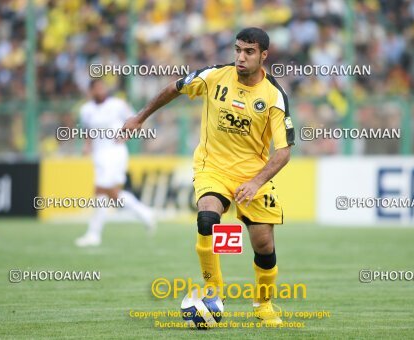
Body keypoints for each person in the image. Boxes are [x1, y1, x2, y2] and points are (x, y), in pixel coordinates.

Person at [121, 27, 294, 325]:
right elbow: (173, 88)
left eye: (249, 52)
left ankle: (264, 305)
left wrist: (254, 183)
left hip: (252, 175)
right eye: (238, 50)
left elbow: (283, 152)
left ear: (263, 56)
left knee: (264, 246)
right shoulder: (214, 76)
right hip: (211, 167)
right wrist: (140, 116)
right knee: (207, 220)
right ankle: (213, 290)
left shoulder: (274, 97)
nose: (241, 57)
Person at [75, 80, 156, 247]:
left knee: (100, 191)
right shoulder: (86, 110)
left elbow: (136, 120)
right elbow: (87, 131)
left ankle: (93, 234)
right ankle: (145, 213)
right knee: (112, 195)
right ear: (91, 91)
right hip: (99, 155)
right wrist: (87, 146)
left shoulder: (118, 104)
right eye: (96, 88)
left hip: (115, 152)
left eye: (102, 87)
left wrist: (125, 136)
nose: (100, 90)